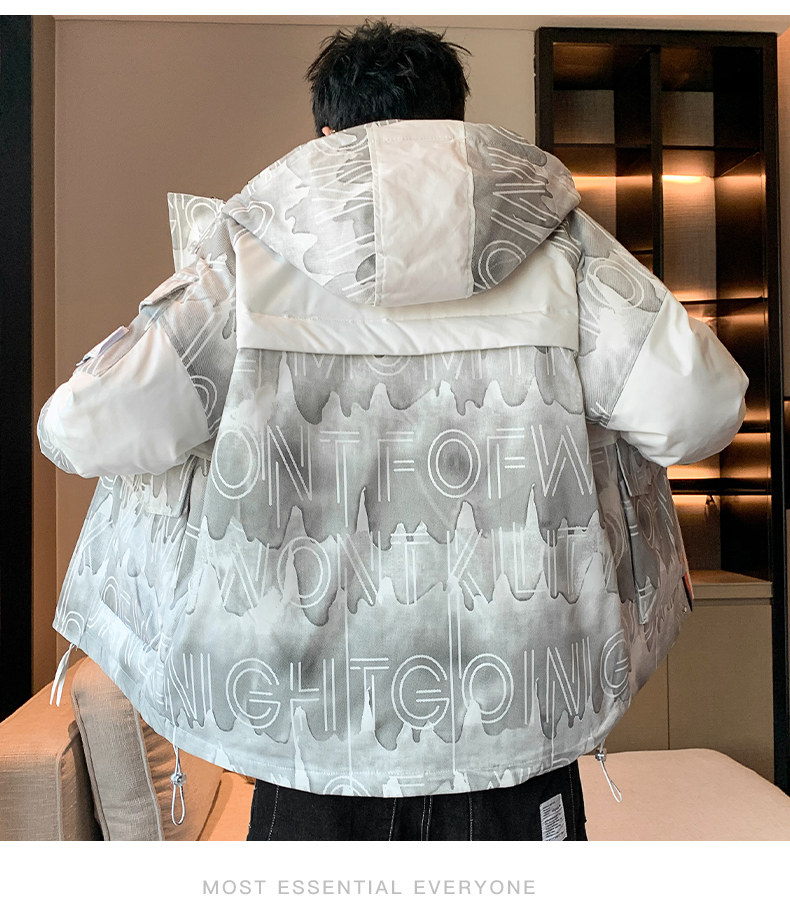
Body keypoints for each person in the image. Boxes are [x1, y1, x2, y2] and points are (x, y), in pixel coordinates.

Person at [38, 20, 747, 841]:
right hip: (517, 720)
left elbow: (82, 429)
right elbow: (702, 412)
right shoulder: (565, 249)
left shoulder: (246, 257)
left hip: (304, 729)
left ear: (327, 136)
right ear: (455, 126)